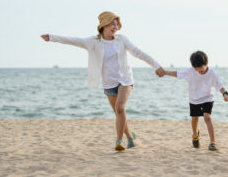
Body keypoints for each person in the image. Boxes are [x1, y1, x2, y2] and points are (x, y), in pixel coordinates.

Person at [40, 11, 166, 151]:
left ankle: (119, 141)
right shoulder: (93, 41)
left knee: (119, 108)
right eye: (112, 24)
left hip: (125, 79)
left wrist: (156, 65)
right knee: (119, 113)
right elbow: (73, 40)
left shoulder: (122, 39)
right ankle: (130, 137)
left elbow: (138, 52)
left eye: (117, 24)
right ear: (104, 25)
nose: (115, 27)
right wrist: (52, 37)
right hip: (108, 82)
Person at [163, 51, 228, 151]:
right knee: (195, 119)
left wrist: (225, 93)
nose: (199, 71)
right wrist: (165, 72)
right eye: (197, 69)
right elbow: (178, 73)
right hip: (194, 99)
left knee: (207, 117)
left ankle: (212, 143)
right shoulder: (190, 71)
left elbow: (219, 85)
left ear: (206, 64)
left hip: (208, 98)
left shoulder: (212, 74)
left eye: (201, 69)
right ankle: (195, 135)